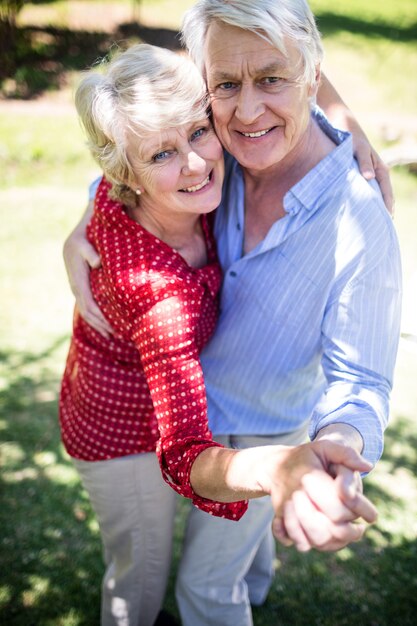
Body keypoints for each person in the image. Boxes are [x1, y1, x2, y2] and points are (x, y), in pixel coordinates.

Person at [60, 41, 377, 626]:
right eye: (163, 154)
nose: (196, 164)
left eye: (199, 132)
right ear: (124, 173)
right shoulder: (160, 297)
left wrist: (350, 125)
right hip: (122, 428)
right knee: (141, 574)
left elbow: (258, 50)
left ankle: (247, 588)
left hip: (184, 391)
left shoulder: (160, 180)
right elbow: (182, 455)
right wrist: (274, 468)